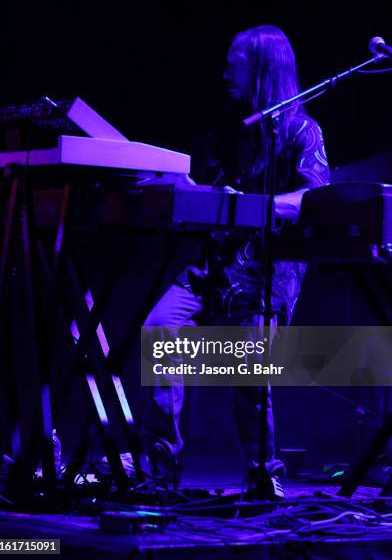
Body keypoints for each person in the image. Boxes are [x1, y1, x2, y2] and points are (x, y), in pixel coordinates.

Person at [141, 25, 330, 493]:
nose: (225, 70)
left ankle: (264, 477)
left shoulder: (303, 131)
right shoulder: (231, 132)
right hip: (214, 268)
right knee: (159, 330)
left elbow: (316, 199)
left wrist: (253, 207)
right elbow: (211, 192)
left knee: (249, 375)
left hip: (265, 274)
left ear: (262, 68)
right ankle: (160, 473)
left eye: (235, 61)